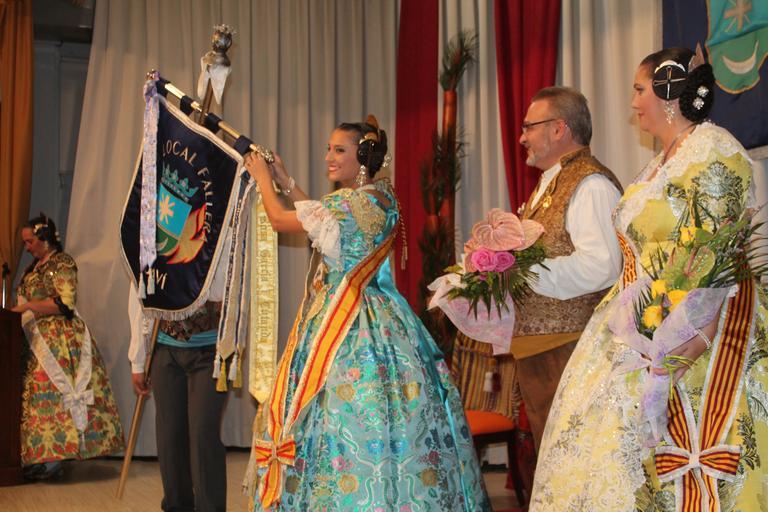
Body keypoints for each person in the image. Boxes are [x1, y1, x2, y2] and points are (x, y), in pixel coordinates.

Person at [530, 47, 768, 511]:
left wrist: (685, 342)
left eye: (640, 90)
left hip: (702, 330)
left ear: (669, 92)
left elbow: (717, 255)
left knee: (699, 456)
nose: (634, 102)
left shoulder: (714, 150)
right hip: (640, 319)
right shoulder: (659, 164)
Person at [242, 116, 491, 511]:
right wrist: (285, 181)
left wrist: (262, 180)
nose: (329, 156)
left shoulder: (348, 203)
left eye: (339, 150)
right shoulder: (381, 197)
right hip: (383, 314)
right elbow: (321, 222)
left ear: (362, 156)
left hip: (343, 321)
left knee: (335, 412)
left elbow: (281, 220)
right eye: (329, 148)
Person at [512, 86, 623, 449]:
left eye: (529, 127)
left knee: (576, 457)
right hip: (545, 348)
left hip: (572, 347)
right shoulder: (552, 182)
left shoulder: (591, 183)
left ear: (559, 128)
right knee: (552, 458)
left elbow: (603, 266)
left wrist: (516, 270)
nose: (522, 137)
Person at [8, 214, 123, 479]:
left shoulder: (63, 263)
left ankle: (55, 457)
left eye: (30, 241)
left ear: (44, 239)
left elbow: (65, 304)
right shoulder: (33, 268)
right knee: (34, 396)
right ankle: (37, 454)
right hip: (34, 337)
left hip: (59, 339)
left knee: (52, 392)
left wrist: (28, 306)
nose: (27, 247)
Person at [128, 263, 228, 512]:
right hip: (165, 349)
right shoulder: (153, 239)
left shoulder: (218, 237)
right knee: (170, 434)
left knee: (203, 433)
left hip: (211, 351)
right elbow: (140, 288)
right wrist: (138, 359)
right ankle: (177, 505)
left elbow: (227, 286)